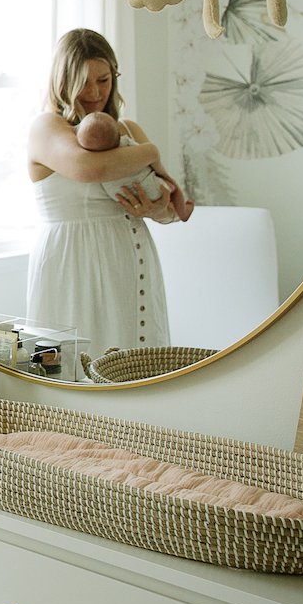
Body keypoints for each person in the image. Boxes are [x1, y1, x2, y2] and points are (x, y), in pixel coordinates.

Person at [25, 28, 194, 364]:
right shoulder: (46, 127)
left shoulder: (129, 132)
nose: (94, 92)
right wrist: (151, 151)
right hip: (74, 261)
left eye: (103, 80)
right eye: (83, 82)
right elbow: (88, 168)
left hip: (129, 259)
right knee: (79, 363)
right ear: (63, 81)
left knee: (135, 359)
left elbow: (171, 208)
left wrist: (155, 208)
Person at [75, 111, 168, 204]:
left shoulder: (129, 127)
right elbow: (151, 154)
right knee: (167, 187)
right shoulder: (126, 143)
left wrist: (163, 213)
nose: (93, 95)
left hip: (119, 196)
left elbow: (171, 212)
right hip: (150, 187)